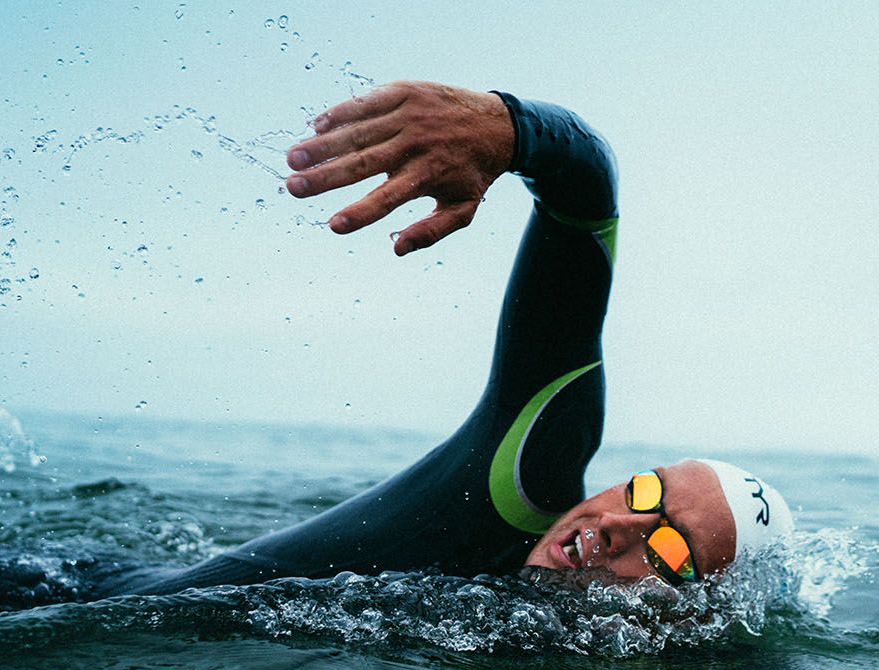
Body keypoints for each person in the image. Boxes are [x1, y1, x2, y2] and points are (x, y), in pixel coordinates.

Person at [95, 81, 792, 598]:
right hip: (69, 600)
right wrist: (515, 129)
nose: (621, 525)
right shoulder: (522, 478)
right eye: (643, 492)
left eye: (671, 549)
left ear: (703, 611)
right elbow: (584, 201)